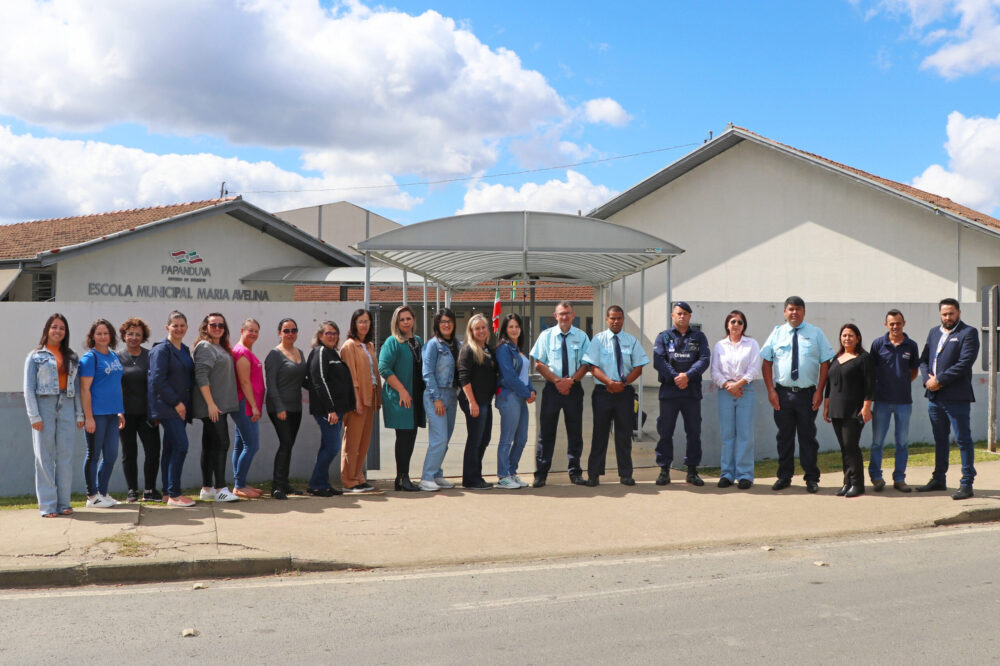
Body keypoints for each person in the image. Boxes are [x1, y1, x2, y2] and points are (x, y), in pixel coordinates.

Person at [760, 296, 835, 493]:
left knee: (807, 437)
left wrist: (819, 391)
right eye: (791, 309)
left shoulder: (816, 333)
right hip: (782, 394)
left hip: (807, 395)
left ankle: (811, 478)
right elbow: (766, 362)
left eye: (798, 309)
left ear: (804, 312)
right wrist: (771, 391)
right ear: (785, 312)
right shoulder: (777, 333)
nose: (794, 312)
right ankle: (784, 477)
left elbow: (825, 362)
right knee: (784, 437)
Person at [917, 298, 981, 500]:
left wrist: (940, 380)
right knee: (940, 439)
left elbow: (965, 363)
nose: (948, 317)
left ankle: (967, 482)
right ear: (940, 314)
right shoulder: (934, 332)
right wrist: (928, 379)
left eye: (951, 313)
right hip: (934, 397)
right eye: (944, 314)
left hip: (956, 397)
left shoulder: (968, 333)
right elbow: (924, 359)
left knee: (963, 440)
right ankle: (938, 479)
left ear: (959, 313)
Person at [582, 305, 650, 486]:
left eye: (619, 318)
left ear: (623, 320)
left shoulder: (632, 341)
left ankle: (626, 474)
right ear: (607, 319)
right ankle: (594, 475)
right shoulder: (598, 340)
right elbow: (592, 366)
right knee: (600, 434)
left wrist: (623, 384)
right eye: (612, 318)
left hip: (624, 393)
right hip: (603, 392)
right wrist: (609, 383)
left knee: (624, 435)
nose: (616, 321)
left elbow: (639, 367)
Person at [24, 314, 84, 517]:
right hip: (44, 405)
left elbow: (75, 387)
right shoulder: (35, 356)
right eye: (54, 327)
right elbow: (28, 388)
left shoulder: (72, 356)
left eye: (62, 328)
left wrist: (79, 414)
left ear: (65, 333)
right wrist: (34, 416)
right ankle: (49, 505)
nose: (58, 331)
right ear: (47, 330)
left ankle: (64, 503)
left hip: (66, 405)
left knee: (65, 457)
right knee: (44, 456)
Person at [529, 301, 589, 488]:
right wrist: (557, 381)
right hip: (551, 390)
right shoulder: (546, 336)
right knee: (546, 433)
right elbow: (539, 363)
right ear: (555, 316)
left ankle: (575, 472)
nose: (564, 317)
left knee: (575, 432)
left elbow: (587, 363)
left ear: (573, 315)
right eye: (561, 314)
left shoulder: (582, 336)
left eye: (567, 313)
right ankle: (541, 474)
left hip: (574, 389)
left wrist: (570, 381)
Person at [653, 301, 711, 487]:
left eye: (685, 313)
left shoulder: (699, 337)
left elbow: (704, 359)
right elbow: (658, 361)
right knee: (665, 432)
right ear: (672, 315)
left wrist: (687, 376)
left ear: (690, 316)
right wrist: (676, 376)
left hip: (691, 392)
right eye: (679, 313)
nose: (682, 316)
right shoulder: (663, 337)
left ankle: (692, 471)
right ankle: (664, 471)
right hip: (669, 391)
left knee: (693, 432)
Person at [868, 310, 920, 492]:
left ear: (904, 323)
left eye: (898, 323)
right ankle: (876, 477)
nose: (895, 326)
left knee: (902, 443)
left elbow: (914, 372)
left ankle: (899, 479)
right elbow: (871, 372)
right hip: (881, 401)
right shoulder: (877, 344)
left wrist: (901, 384)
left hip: (903, 402)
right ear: (886, 325)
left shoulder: (911, 346)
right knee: (877, 442)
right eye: (891, 323)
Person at [148, 311, 196, 507]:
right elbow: (158, 380)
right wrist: (176, 403)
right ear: (167, 328)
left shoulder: (184, 349)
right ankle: (175, 494)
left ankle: (168, 492)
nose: (179, 329)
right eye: (175, 325)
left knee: (169, 448)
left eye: (182, 325)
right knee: (181, 446)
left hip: (181, 407)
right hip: (168, 407)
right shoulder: (161, 350)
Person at [710, 310, 761, 489]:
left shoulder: (751, 344)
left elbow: (754, 368)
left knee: (745, 435)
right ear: (727, 324)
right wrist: (728, 386)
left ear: (744, 325)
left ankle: (745, 475)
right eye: (733, 322)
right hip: (725, 391)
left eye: (740, 322)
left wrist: (738, 384)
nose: (736, 325)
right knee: (728, 435)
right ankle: (727, 474)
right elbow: (714, 370)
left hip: (745, 390)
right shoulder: (719, 346)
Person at [192, 313, 240, 503]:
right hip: (212, 407)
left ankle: (207, 488)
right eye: (213, 325)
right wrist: (211, 404)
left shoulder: (218, 346)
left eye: (221, 325)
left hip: (219, 406)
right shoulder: (205, 346)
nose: (217, 328)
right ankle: (220, 488)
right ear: (206, 327)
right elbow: (201, 376)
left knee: (211, 445)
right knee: (222, 443)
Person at [822, 324, 874, 498]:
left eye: (851, 335)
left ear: (858, 338)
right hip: (836, 410)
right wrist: (826, 407)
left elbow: (869, 385)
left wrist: (867, 407)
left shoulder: (864, 358)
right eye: (844, 335)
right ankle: (847, 482)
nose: (847, 338)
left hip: (854, 411)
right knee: (844, 448)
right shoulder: (836, 358)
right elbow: (829, 386)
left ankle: (858, 484)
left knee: (851, 447)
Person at [378, 306, 425, 492]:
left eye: (408, 318)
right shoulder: (392, 341)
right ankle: (401, 478)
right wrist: (403, 391)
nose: (405, 322)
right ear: (396, 323)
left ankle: (404, 477)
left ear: (413, 319)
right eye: (401, 319)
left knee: (411, 435)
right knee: (404, 436)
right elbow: (384, 368)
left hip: (415, 396)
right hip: (400, 396)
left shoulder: (418, 341)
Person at [80, 318, 125, 508]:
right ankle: (92, 496)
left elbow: (117, 385)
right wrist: (88, 417)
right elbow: (84, 389)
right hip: (96, 414)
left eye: (106, 333)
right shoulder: (90, 358)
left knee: (112, 454)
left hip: (112, 414)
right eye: (99, 333)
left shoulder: (114, 356)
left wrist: (120, 411)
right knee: (93, 454)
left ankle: (103, 493)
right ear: (92, 336)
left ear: (111, 336)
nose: (103, 336)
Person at [306, 321, 355, 496]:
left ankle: (320, 483)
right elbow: (319, 381)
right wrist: (330, 409)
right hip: (328, 411)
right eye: (328, 333)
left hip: (337, 410)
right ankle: (317, 483)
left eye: (335, 333)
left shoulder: (333, 353)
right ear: (320, 336)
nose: (332, 336)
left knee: (327, 446)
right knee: (333, 447)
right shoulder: (320, 352)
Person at [117, 317, 162, 503]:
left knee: (152, 451)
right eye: (130, 334)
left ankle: (150, 490)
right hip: (125, 414)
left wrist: (157, 412)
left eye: (138, 334)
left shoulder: (151, 356)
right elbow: (114, 386)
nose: (134, 337)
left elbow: (157, 384)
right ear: (124, 336)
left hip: (147, 414)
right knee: (129, 453)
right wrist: (118, 411)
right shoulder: (116, 357)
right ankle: (132, 491)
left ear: (143, 337)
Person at [266, 318, 309, 499]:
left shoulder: (300, 352)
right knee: (285, 444)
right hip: (279, 408)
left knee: (289, 445)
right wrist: (279, 407)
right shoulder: (274, 355)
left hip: (296, 407)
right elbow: (271, 385)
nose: (290, 334)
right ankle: (276, 487)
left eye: (293, 330)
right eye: (286, 330)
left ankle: (285, 483)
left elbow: (303, 381)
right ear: (279, 333)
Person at [340, 309, 383, 493]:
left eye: (367, 321)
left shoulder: (370, 346)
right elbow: (351, 377)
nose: (364, 325)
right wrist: (356, 400)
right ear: (354, 324)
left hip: (370, 397)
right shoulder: (349, 346)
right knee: (352, 442)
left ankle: (358, 477)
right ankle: (349, 480)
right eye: (360, 321)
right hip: (358, 399)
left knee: (364, 442)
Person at [419, 308, 460, 492]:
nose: (446, 324)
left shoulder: (457, 344)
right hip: (436, 395)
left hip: (452, 394)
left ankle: (436, 473)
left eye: (449, 321)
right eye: (442, 321)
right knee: (439, 438)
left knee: (446, 438)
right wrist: (436, 399)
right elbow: (427, 373)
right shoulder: (432, 345)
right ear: (437, 324)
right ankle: (426, 477)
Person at [495, 313, 536, 490]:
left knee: (522, 438)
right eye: (510, 326)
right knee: (507, 438)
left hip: (521, 396)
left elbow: (524, 375)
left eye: (517, 326)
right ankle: (503, 475)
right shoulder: (503, 349)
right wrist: (527, 393)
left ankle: (512, 472)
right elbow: (510, 376)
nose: (514, 329)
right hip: (509, 396)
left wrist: (531, 389)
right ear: (505, 329)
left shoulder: (518, 349)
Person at [458, 313, 498, 489]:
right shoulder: (468, 350)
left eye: (483, 327)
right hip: (474, 402)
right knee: (475, 439)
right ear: (471, 331)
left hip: (485, 401)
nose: (481, 331)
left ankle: (476, 475)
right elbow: (464, 378)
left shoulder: (489, 349)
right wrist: (472, 403)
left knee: (485, 438)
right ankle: (470, 479)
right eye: (477, 328)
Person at [231, 318, 265, 498]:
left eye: (256, 331)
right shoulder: (242, 352)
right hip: (245, 404)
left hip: (246, 403)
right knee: (251, 445)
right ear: (241, 330)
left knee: (240, 445)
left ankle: (240, 483)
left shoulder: (245, 351)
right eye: (249, 330)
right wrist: (254, 406)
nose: (253, 334)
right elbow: (244, 382)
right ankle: (239, 485)